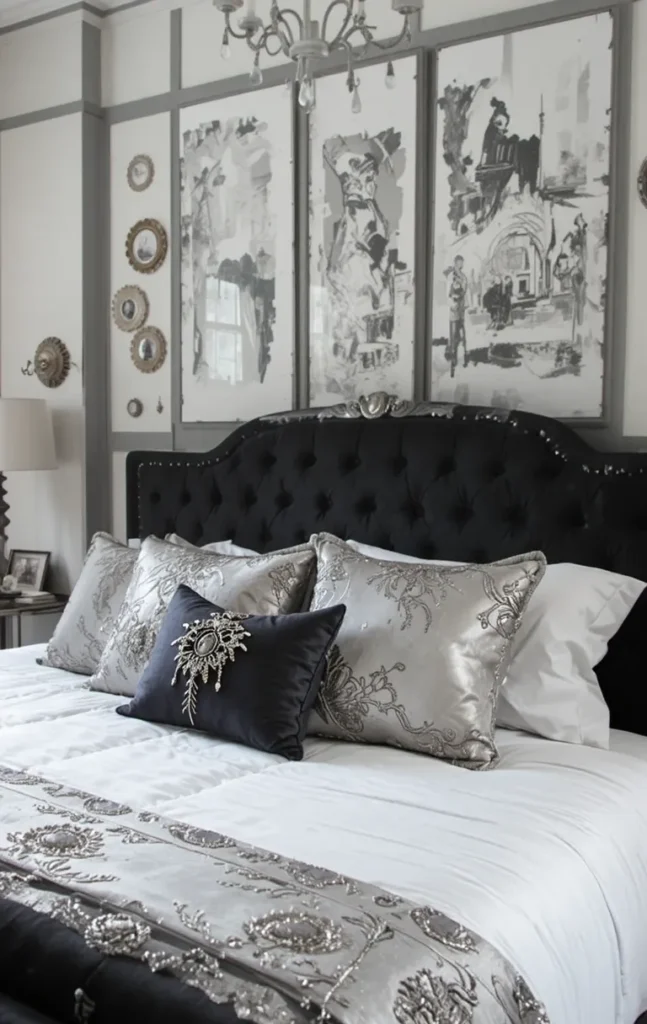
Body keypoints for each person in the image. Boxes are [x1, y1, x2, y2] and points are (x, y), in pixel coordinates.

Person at [444, 255, 468, 375]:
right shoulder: (450, 276)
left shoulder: (463, 276)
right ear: (455, 263)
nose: (460, 265)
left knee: (461, 334)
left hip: (461, 309)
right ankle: (453, 361)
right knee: (453, 336)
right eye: (458, 262)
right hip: (454, 310)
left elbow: (465, 289)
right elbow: (447, 293)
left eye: (461, 263)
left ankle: (464, 357)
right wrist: (452, 303)